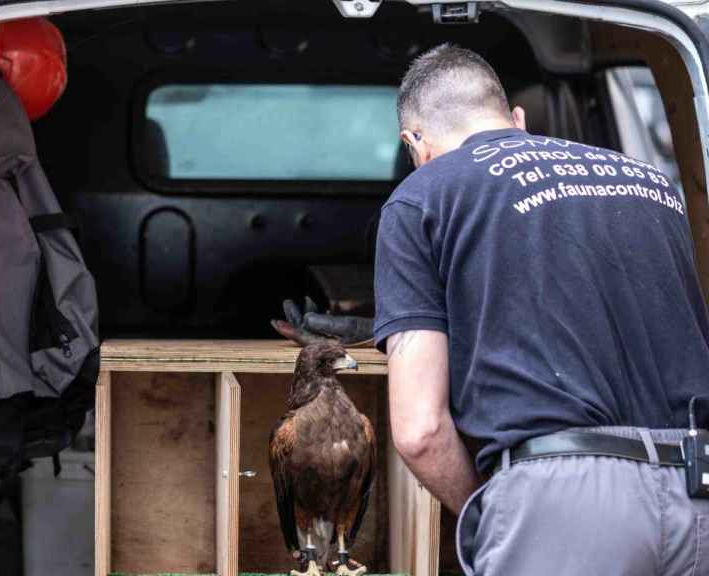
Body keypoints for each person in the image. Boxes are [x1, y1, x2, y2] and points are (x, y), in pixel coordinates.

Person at [288, 44, 709, 575]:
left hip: (564, 502)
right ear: (517, 119)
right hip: (700, 485)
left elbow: (420, 430)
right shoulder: (651, 182)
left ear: (414, 143)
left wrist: (492, 510)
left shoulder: (424, 194)